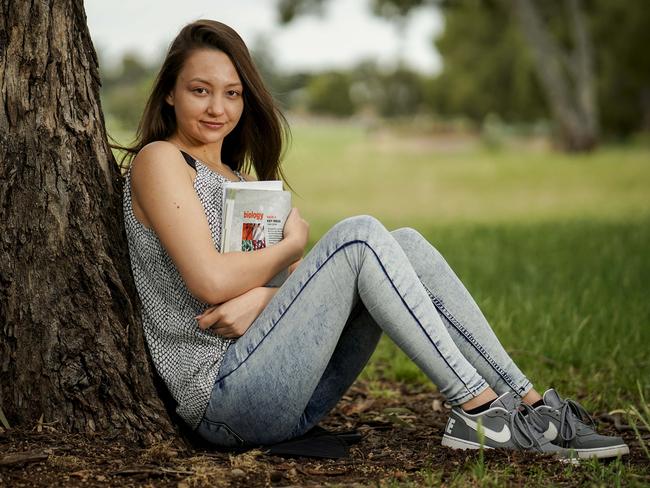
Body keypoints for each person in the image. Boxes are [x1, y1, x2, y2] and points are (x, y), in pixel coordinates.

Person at [120, 19, 628, 460]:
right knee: (359, 236)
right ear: (170, 92)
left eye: (232, 93)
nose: (217, 108)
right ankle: (476, 409)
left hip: (281, 384)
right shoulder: (160, 161)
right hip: (220, 395)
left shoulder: (237, 177)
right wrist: (292, 246)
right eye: (199, 90)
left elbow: (281, 289)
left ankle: (529, 405)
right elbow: (210, 281)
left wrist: (262, 296)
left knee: (401, 242)